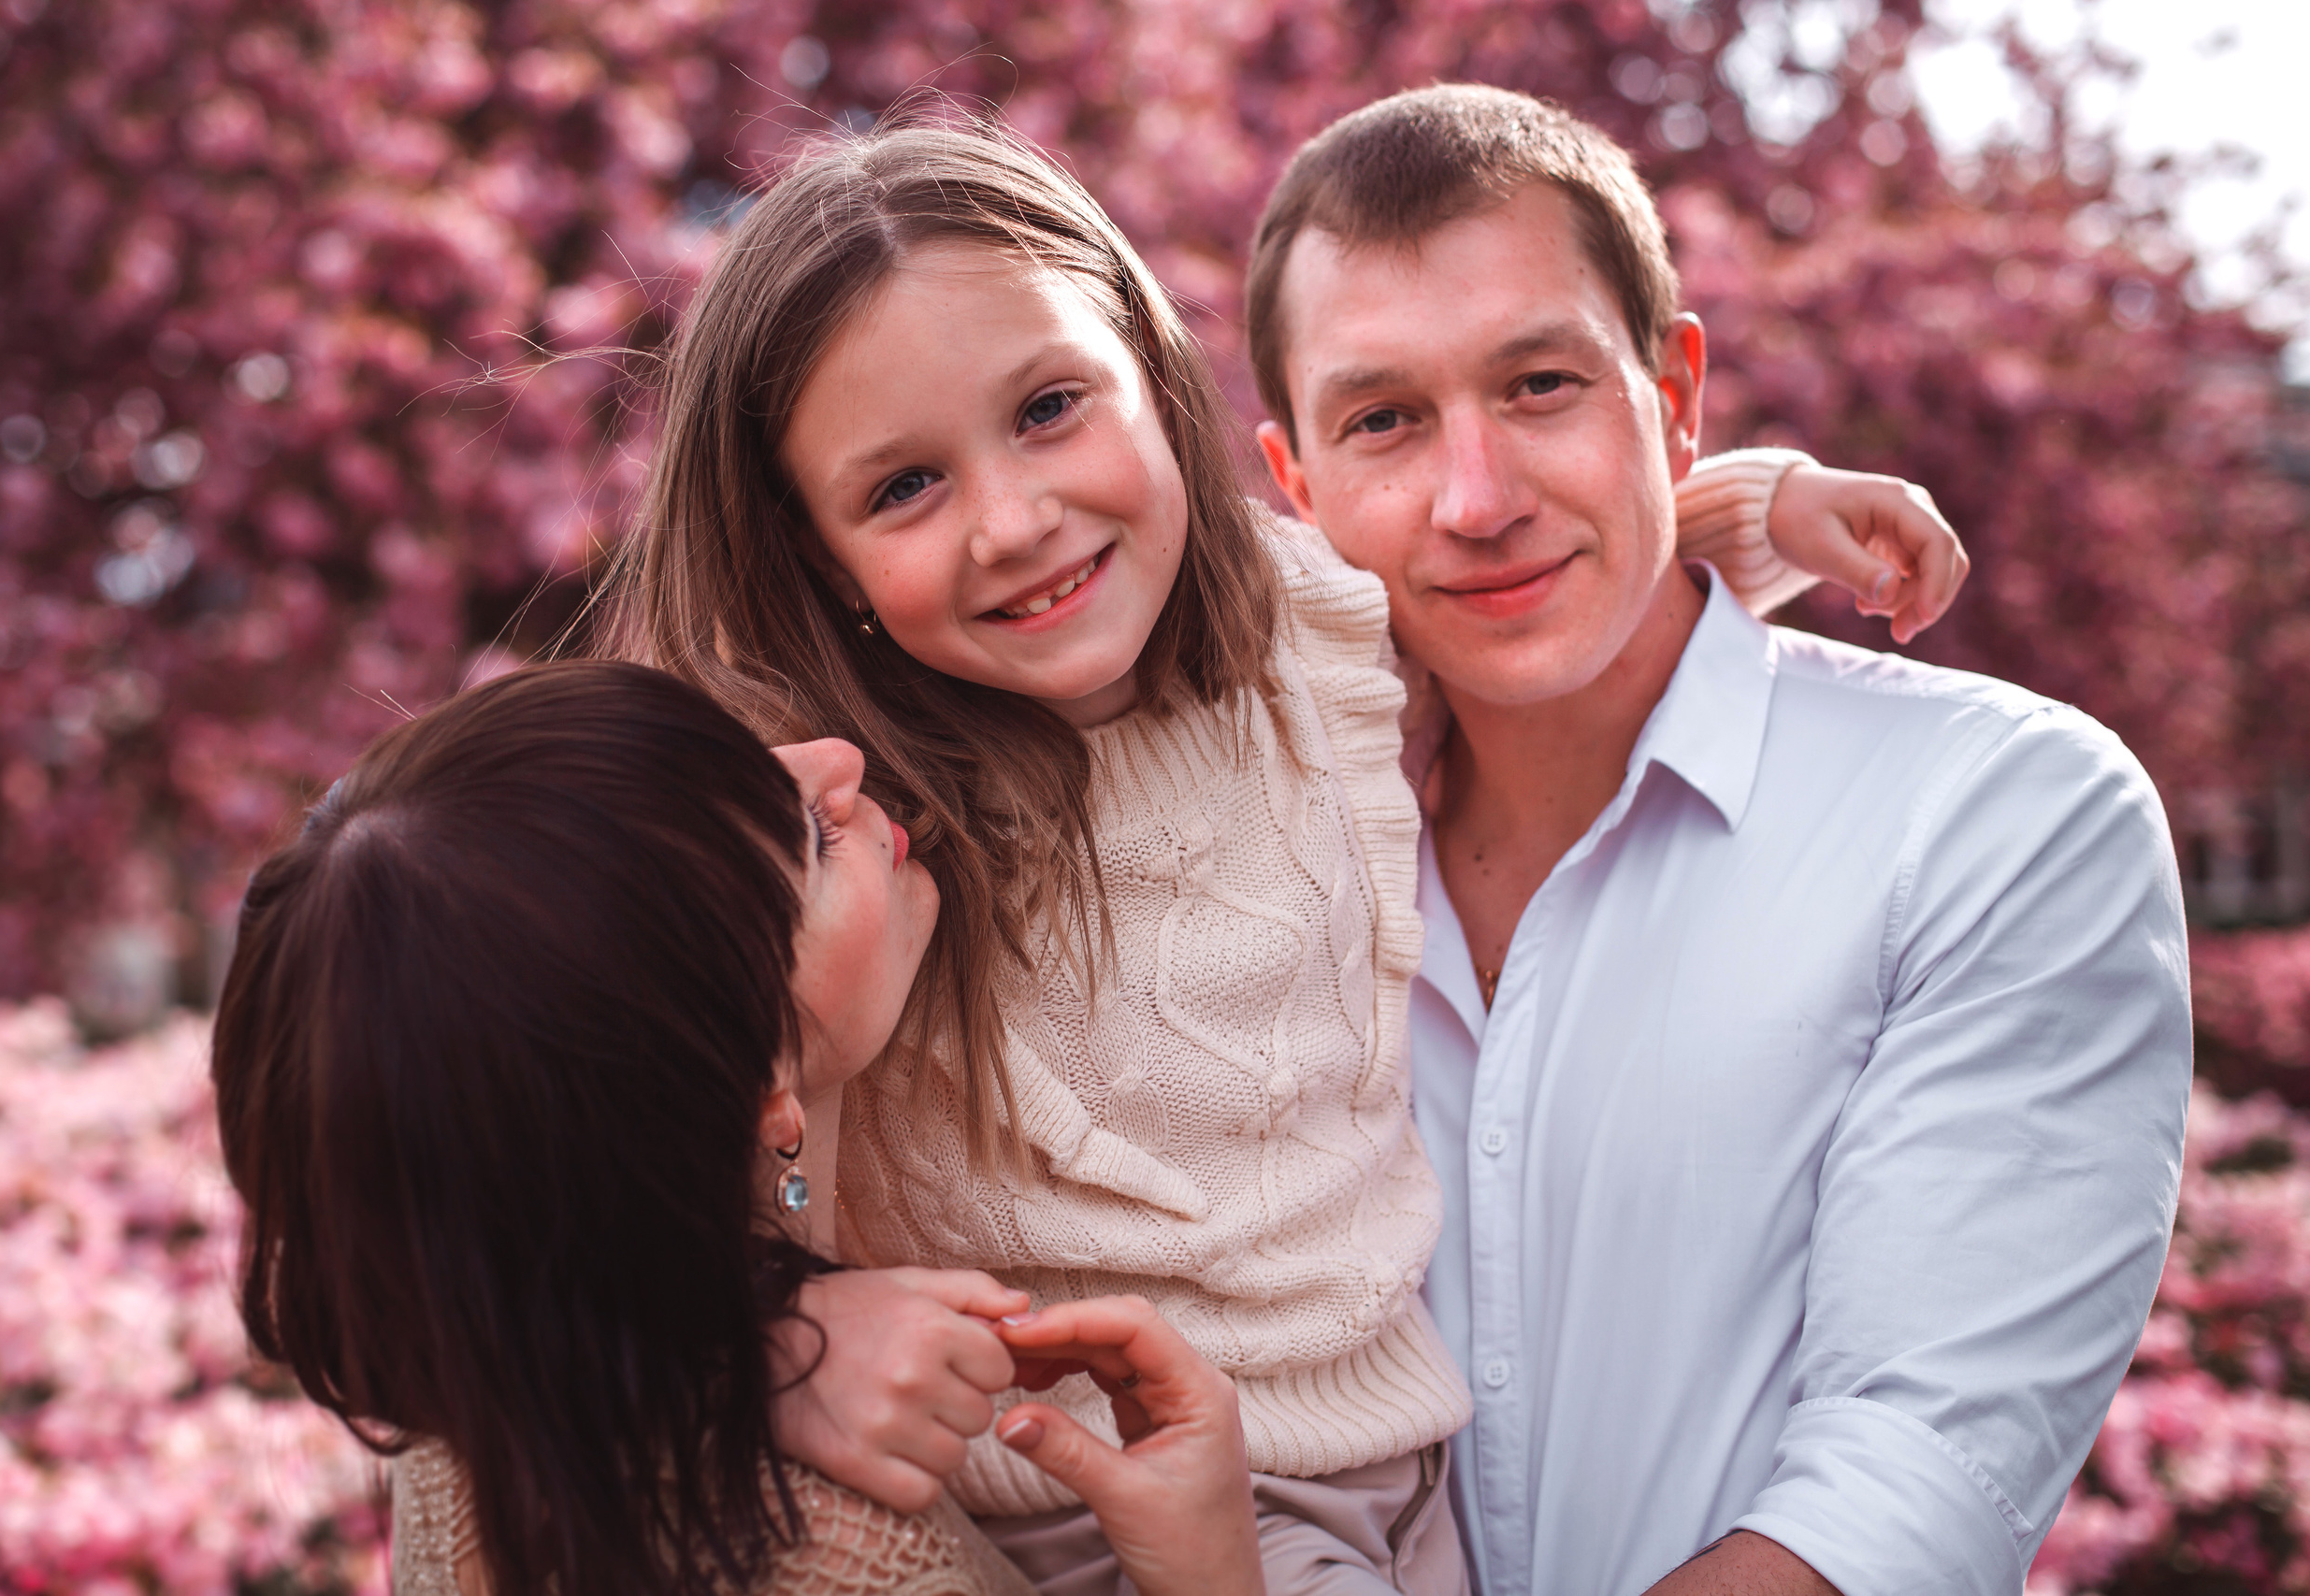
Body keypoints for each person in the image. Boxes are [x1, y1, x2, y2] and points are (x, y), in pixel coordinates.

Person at [593, 113, 1967, 1596]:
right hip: (1100, 1500)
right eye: (904, 487)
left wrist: (1759, 508)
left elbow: (1508, 557)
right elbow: (574, 1171)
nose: (1016, 519)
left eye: (1049, 407)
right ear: (818, 553)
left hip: (1400, 1465)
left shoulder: (1297, 630)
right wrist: (783, 1333)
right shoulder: (839, 828)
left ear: (1148, 368)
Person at [1242, 85, 2193, 1595]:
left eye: (1541, 384)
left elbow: (1913, 1475)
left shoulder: (1997, 814)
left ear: (1676, 395)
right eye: (1384, 421)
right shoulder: (1251, 868)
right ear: (1297, 484)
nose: (1476, 499)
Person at [208, 660, 1268, 1596]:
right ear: (758, 1086)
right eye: (808, 840)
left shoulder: (470, 1398)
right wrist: (1213, 1572)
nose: (839, 760)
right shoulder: (849, 1561)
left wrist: (760, 1331)